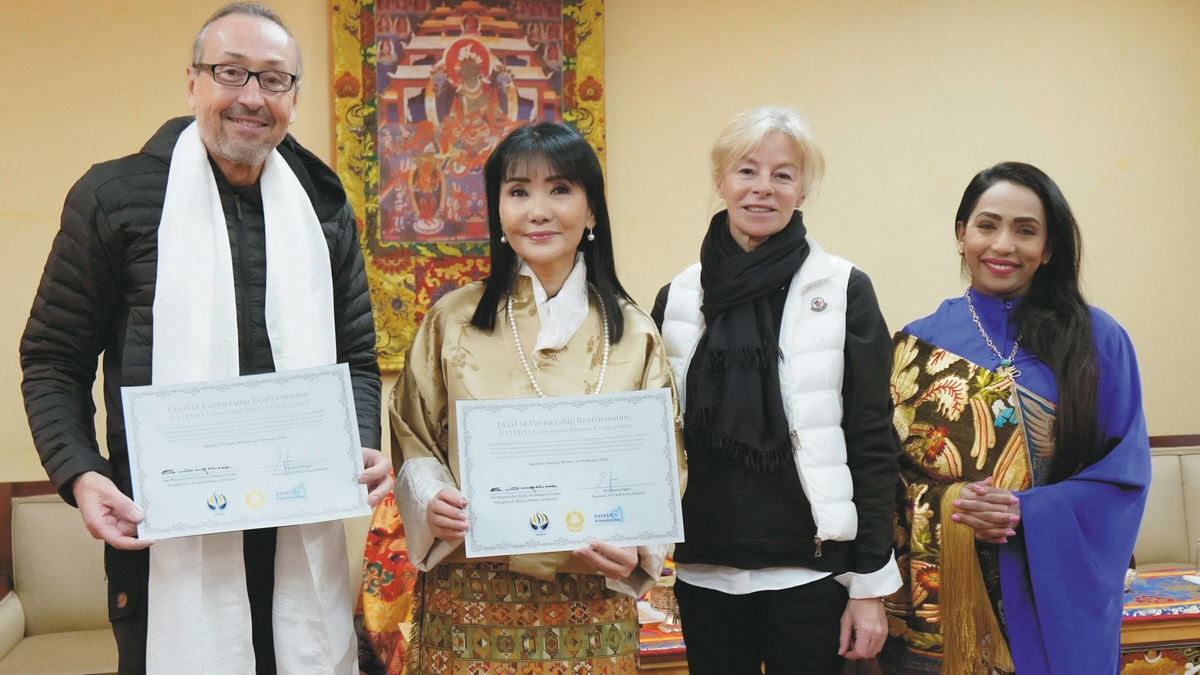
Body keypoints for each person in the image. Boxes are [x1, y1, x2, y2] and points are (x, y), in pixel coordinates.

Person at [18, 4, 393, 674]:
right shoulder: (116, 197)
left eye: (273, 79)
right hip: (165, 532)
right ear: (193, 82)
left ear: (294, 99)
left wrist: (361, 436)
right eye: (230, 72)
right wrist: (79, 473)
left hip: (298, 528)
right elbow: (51, 359)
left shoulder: (325, 207)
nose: (251, 96)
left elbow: (356, 357)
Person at [390, 122, 685, 673]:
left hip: (590, 592)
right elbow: (413, 435)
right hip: (472, 589)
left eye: (561, 189)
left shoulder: (635, 331)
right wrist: (432, 500)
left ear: (592, 210)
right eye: (519, 191)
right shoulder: (451, 320)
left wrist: (637, 550)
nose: (538, 209)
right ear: (498, 210)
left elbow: (661, 460)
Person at [651, 106, 902, 674]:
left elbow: (871, 440)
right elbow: (657, 439)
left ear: (803, 190)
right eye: (747, 171)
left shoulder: (843, 289)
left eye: (783, 174)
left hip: (812, 574)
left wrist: (868, 588)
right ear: (721, 181)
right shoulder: (678, 298)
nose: (763, 188)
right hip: (705, 569)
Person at [881, 162, 1150, 674]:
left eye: (1025, 231)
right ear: (962, 235)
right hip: (939, 606)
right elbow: (885, 478)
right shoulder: (914, 346)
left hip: (1052, 594)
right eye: (987, 225)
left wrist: (1028, 513)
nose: (1003, 245)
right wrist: (955, 504)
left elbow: (1124, 476)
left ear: (1048, 249)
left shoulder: (1097, 341)